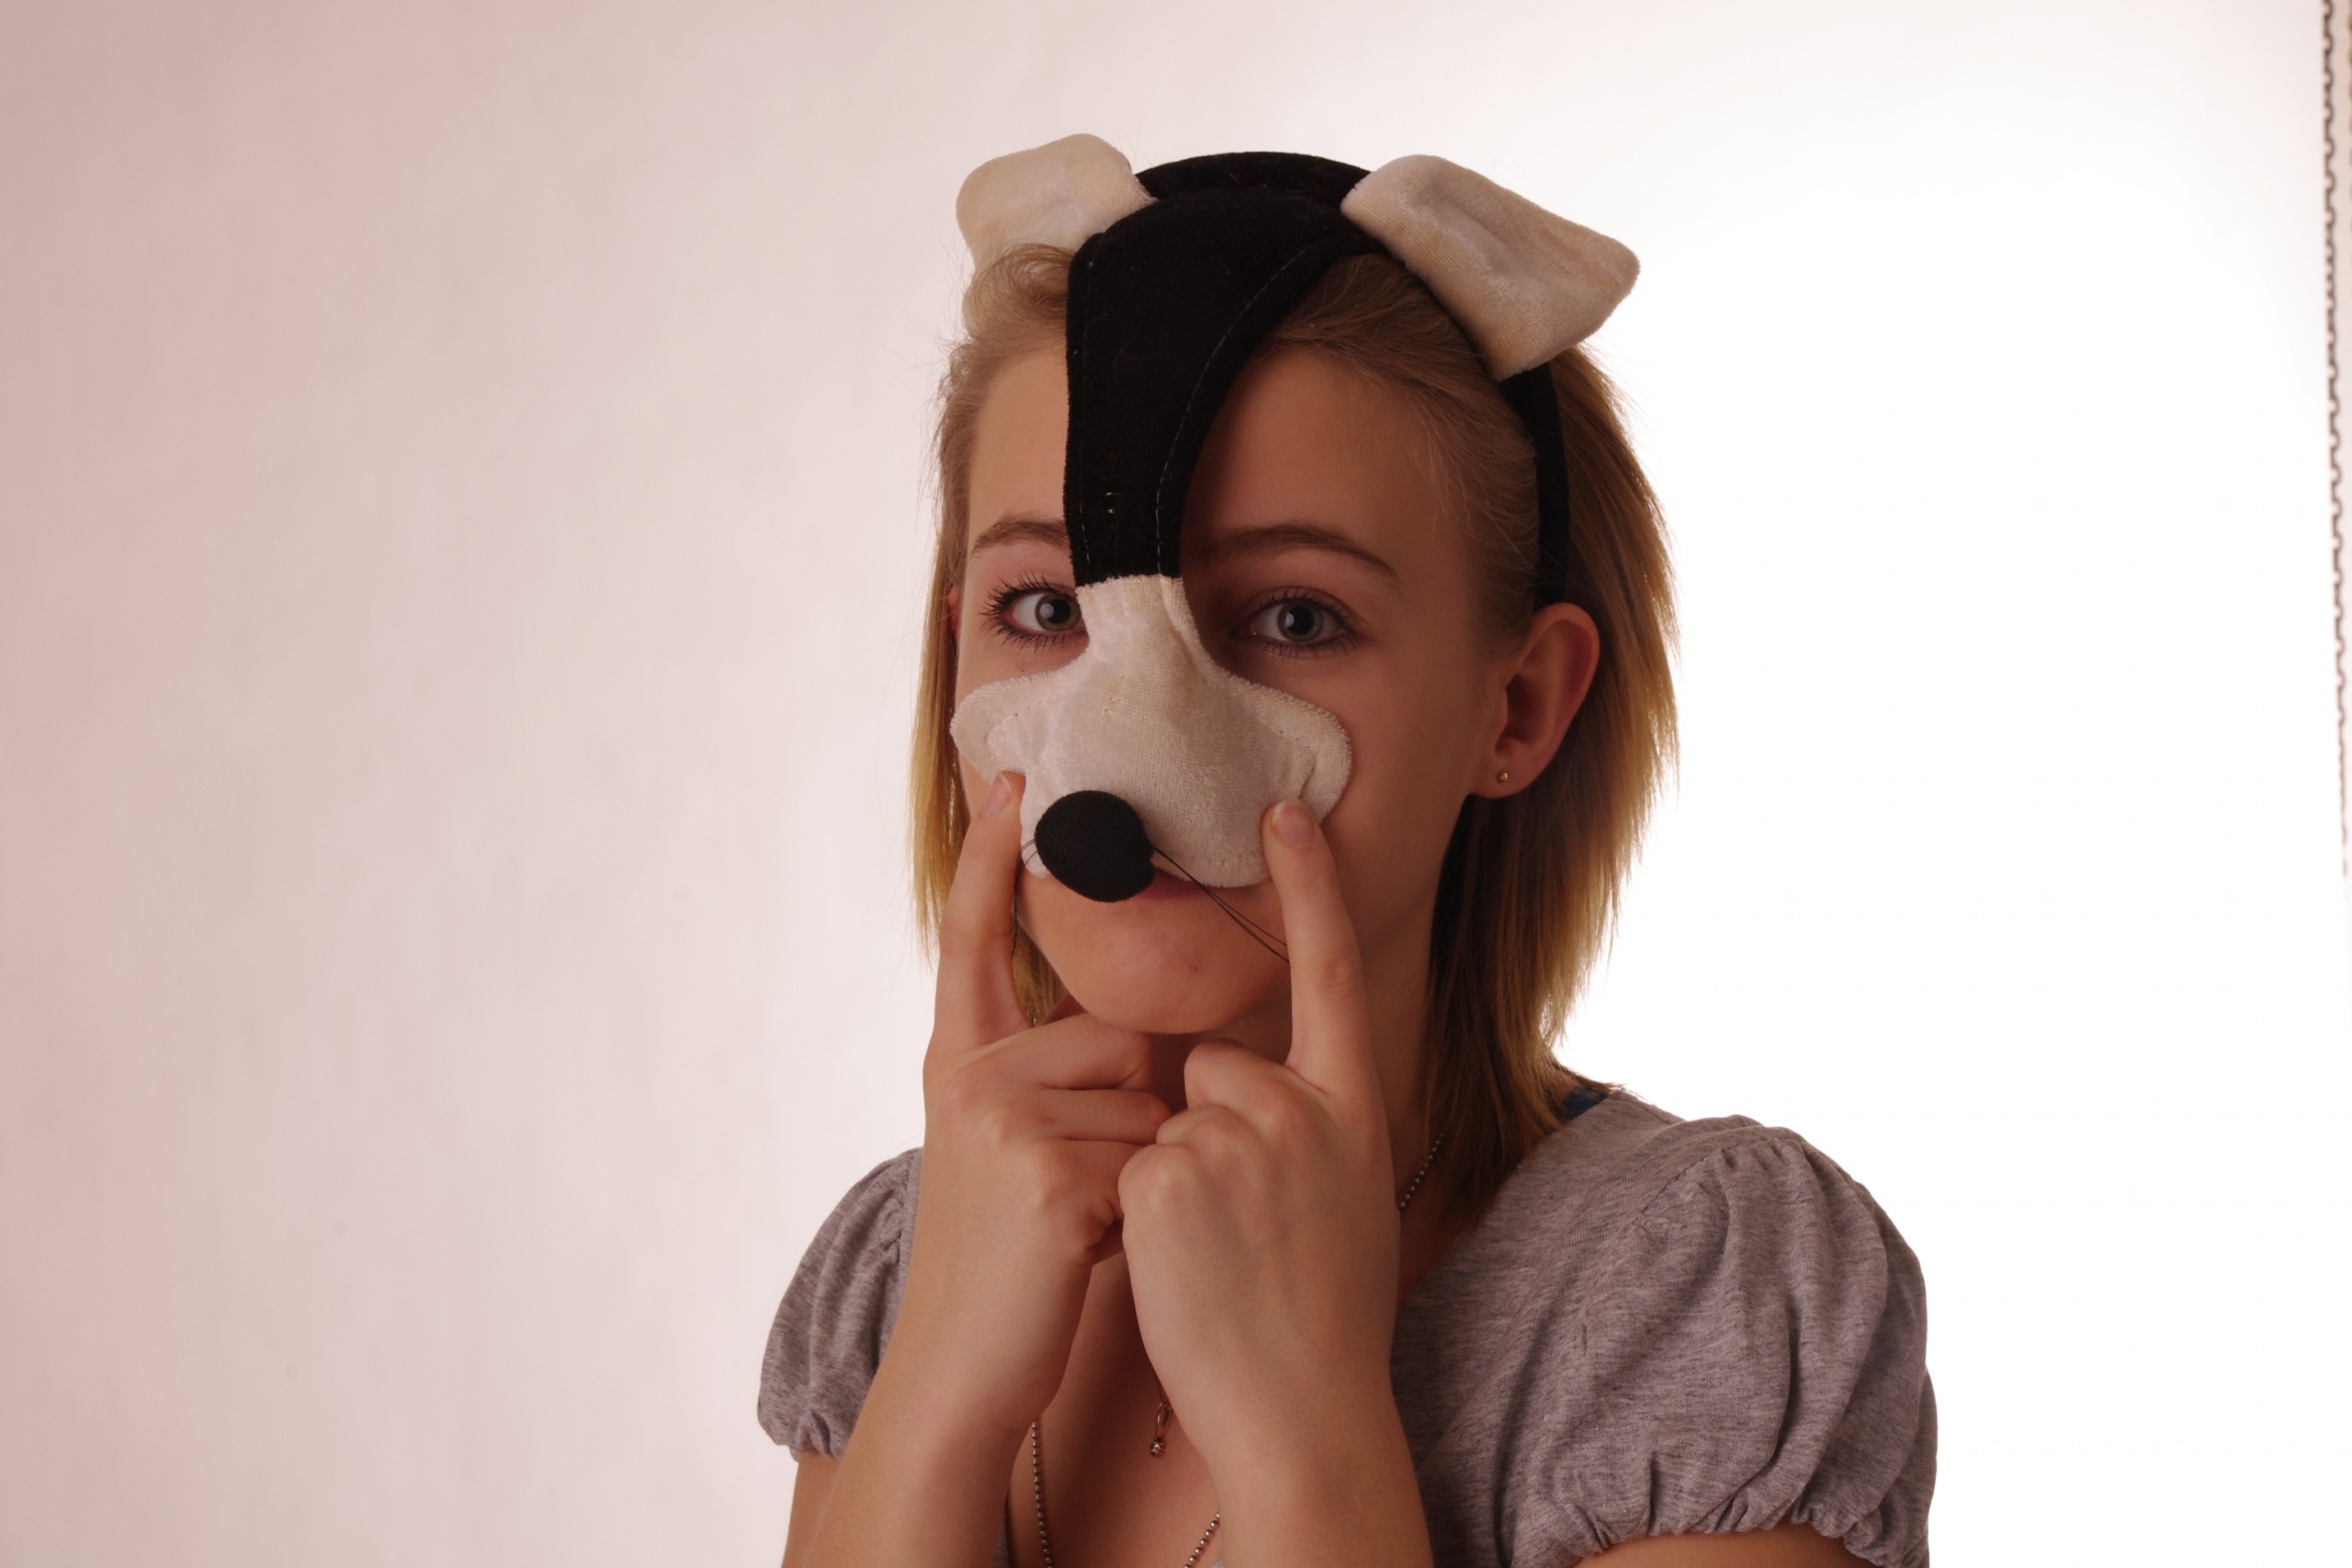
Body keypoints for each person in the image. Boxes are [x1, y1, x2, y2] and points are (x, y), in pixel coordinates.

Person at [760, 138, 1933, 1568]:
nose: (1126, 749)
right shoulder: (901, 1266)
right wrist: (938, 1390)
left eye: (1294, 619)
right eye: (1047, 610)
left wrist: (1303, 1436)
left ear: (1518, 706)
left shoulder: (1688, 1286)